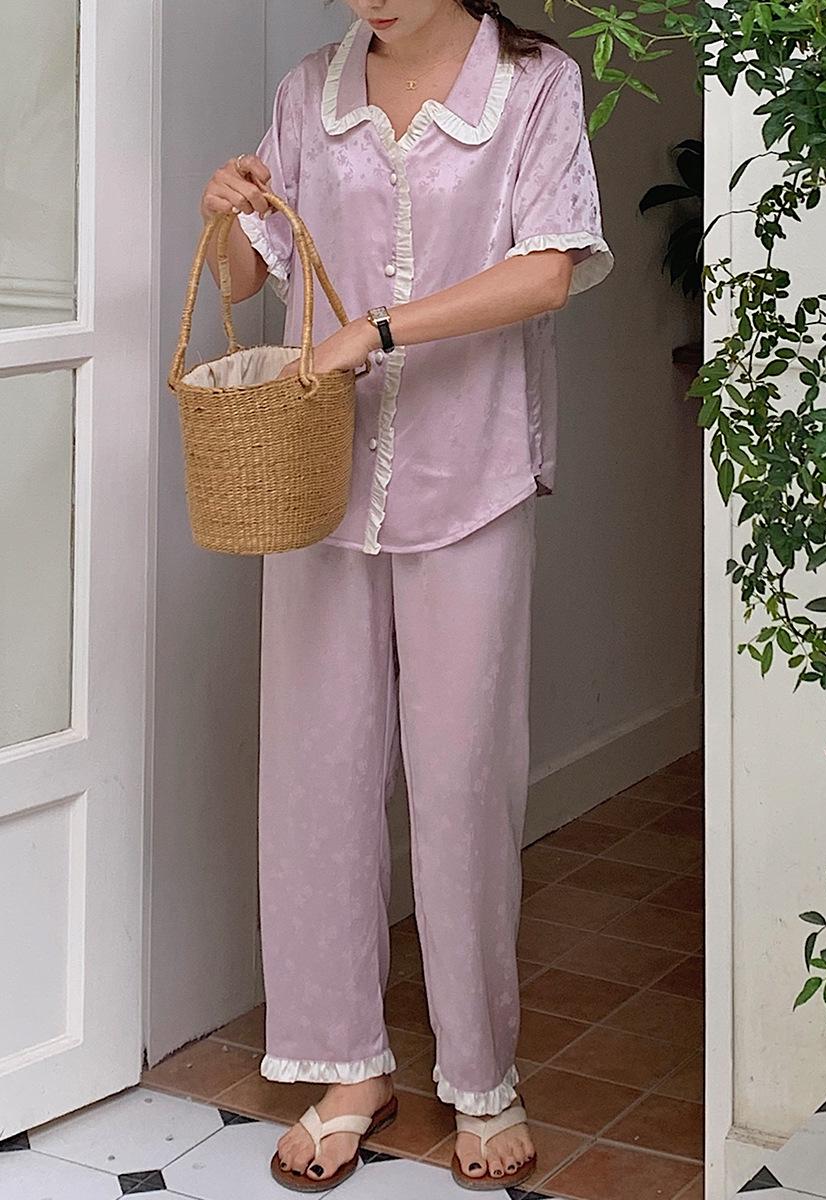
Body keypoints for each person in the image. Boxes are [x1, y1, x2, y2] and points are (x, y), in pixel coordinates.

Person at [198, 0, 613, 1191]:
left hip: (469, 466)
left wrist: (373, 332)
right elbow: (250, 273)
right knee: (315, 774)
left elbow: (547, 272)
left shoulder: (533, 85)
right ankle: (345, 1068)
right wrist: (224, 211)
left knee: (463, 780)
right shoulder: (309, 94)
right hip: (316, 477)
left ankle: (480, 1075)